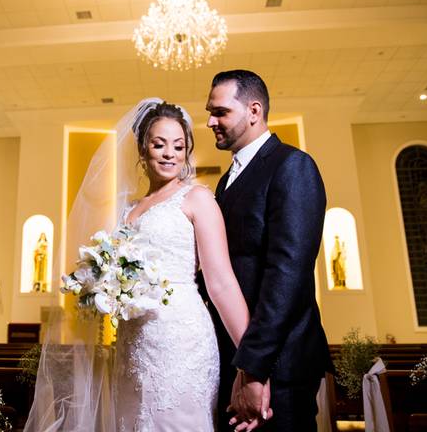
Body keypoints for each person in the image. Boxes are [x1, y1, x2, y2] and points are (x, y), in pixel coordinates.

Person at [24, 99, 259, 432]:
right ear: (142, 149)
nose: (169, 153)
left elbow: (220, 283)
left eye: (178, 146)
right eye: (158, 144)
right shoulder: (129, 211)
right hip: (133, 341)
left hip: (182, 337)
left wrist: (251, 363)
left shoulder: (198, 199)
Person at [204, 69, 332, 431]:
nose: (211, 121)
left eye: (221, 112)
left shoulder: (292, 166)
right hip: (237, 358)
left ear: (254, 110)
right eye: (210, 112)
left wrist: (255, 367)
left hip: (279, 363)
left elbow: (287, 275)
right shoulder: (227, 180)